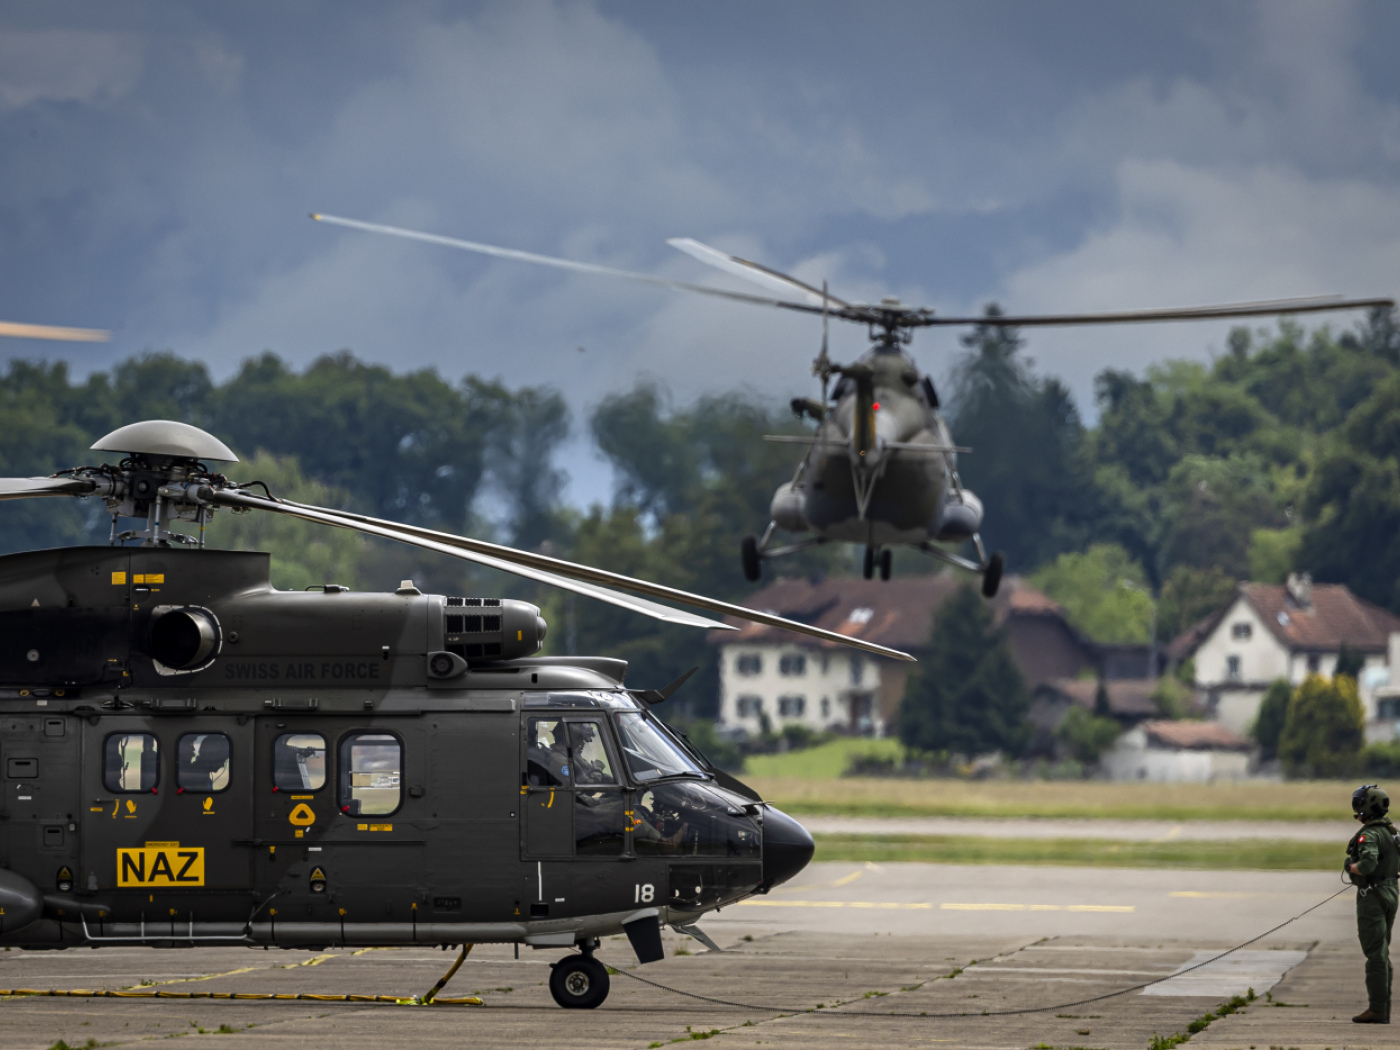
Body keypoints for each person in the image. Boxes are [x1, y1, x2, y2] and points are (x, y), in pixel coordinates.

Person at [1348, 784, 1399, 1024]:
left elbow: (1367, 864)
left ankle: (1378, 1009)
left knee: (1375, 955)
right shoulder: (1392, 832)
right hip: (1391, 891)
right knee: (1382, 951)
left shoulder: (1369, 835)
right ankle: (1382, 1007)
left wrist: (1352, 867)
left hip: (1373, 897)